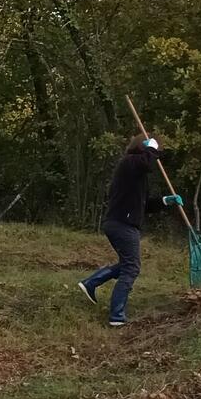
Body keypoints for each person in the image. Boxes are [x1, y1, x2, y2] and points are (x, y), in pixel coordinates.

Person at [77, 136, 182, 327]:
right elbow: (147, 164)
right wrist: (151, 148)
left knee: (127, 264)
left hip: (121, 223)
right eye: (151, 152)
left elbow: (143, 205)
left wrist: (166, 201)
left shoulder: (136, 173)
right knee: (131, 268)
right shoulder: (130, 163)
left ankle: (91, 283)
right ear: (142, 149)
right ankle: (116, 316)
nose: (155, 157)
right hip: (122, 224)